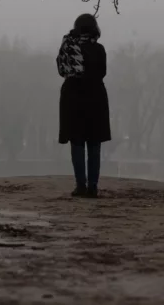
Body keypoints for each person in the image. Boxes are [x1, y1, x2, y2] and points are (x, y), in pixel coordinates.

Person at [57, 13, 111, 198]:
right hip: (95, 97)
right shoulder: (99, 49)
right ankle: (93, 186)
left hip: (73, 97)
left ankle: (80, 185)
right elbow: (102, 72)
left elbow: (61, 70)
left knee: (77, 142)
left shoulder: (68, 47)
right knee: (94, 145)